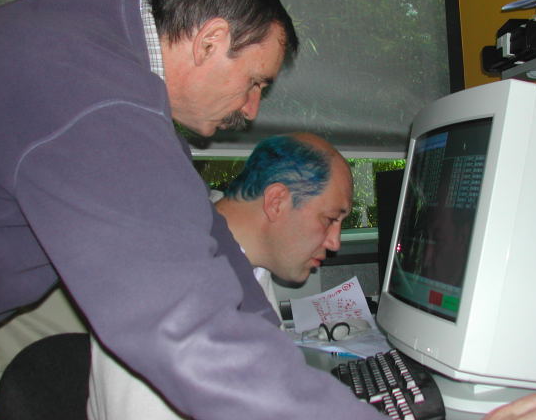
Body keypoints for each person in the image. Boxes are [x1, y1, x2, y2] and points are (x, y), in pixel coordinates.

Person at [0, 0, 389, 420]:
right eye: (255, 83)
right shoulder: (99, 101)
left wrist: (278, 353)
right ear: (211, 41)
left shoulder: (100, 48)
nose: (253, 110)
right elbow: (184, 329)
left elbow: (211, 235)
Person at [87, 131, 354, 419]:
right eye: (330, 219)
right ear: (276, 201)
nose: (334, 242)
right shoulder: (165, 281)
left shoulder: (253, 265)